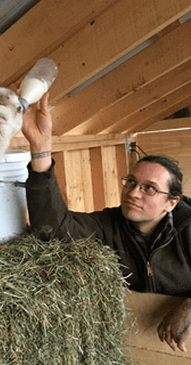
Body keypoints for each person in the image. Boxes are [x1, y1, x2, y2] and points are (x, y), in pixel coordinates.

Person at [21, 91, 191, 353]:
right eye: (131, 182)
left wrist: (187, 307)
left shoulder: (188, 228)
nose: (133, 192)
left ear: (171, 203)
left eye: (149, 188)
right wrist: (40, 151)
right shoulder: (109, 224)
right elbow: (53, 230)